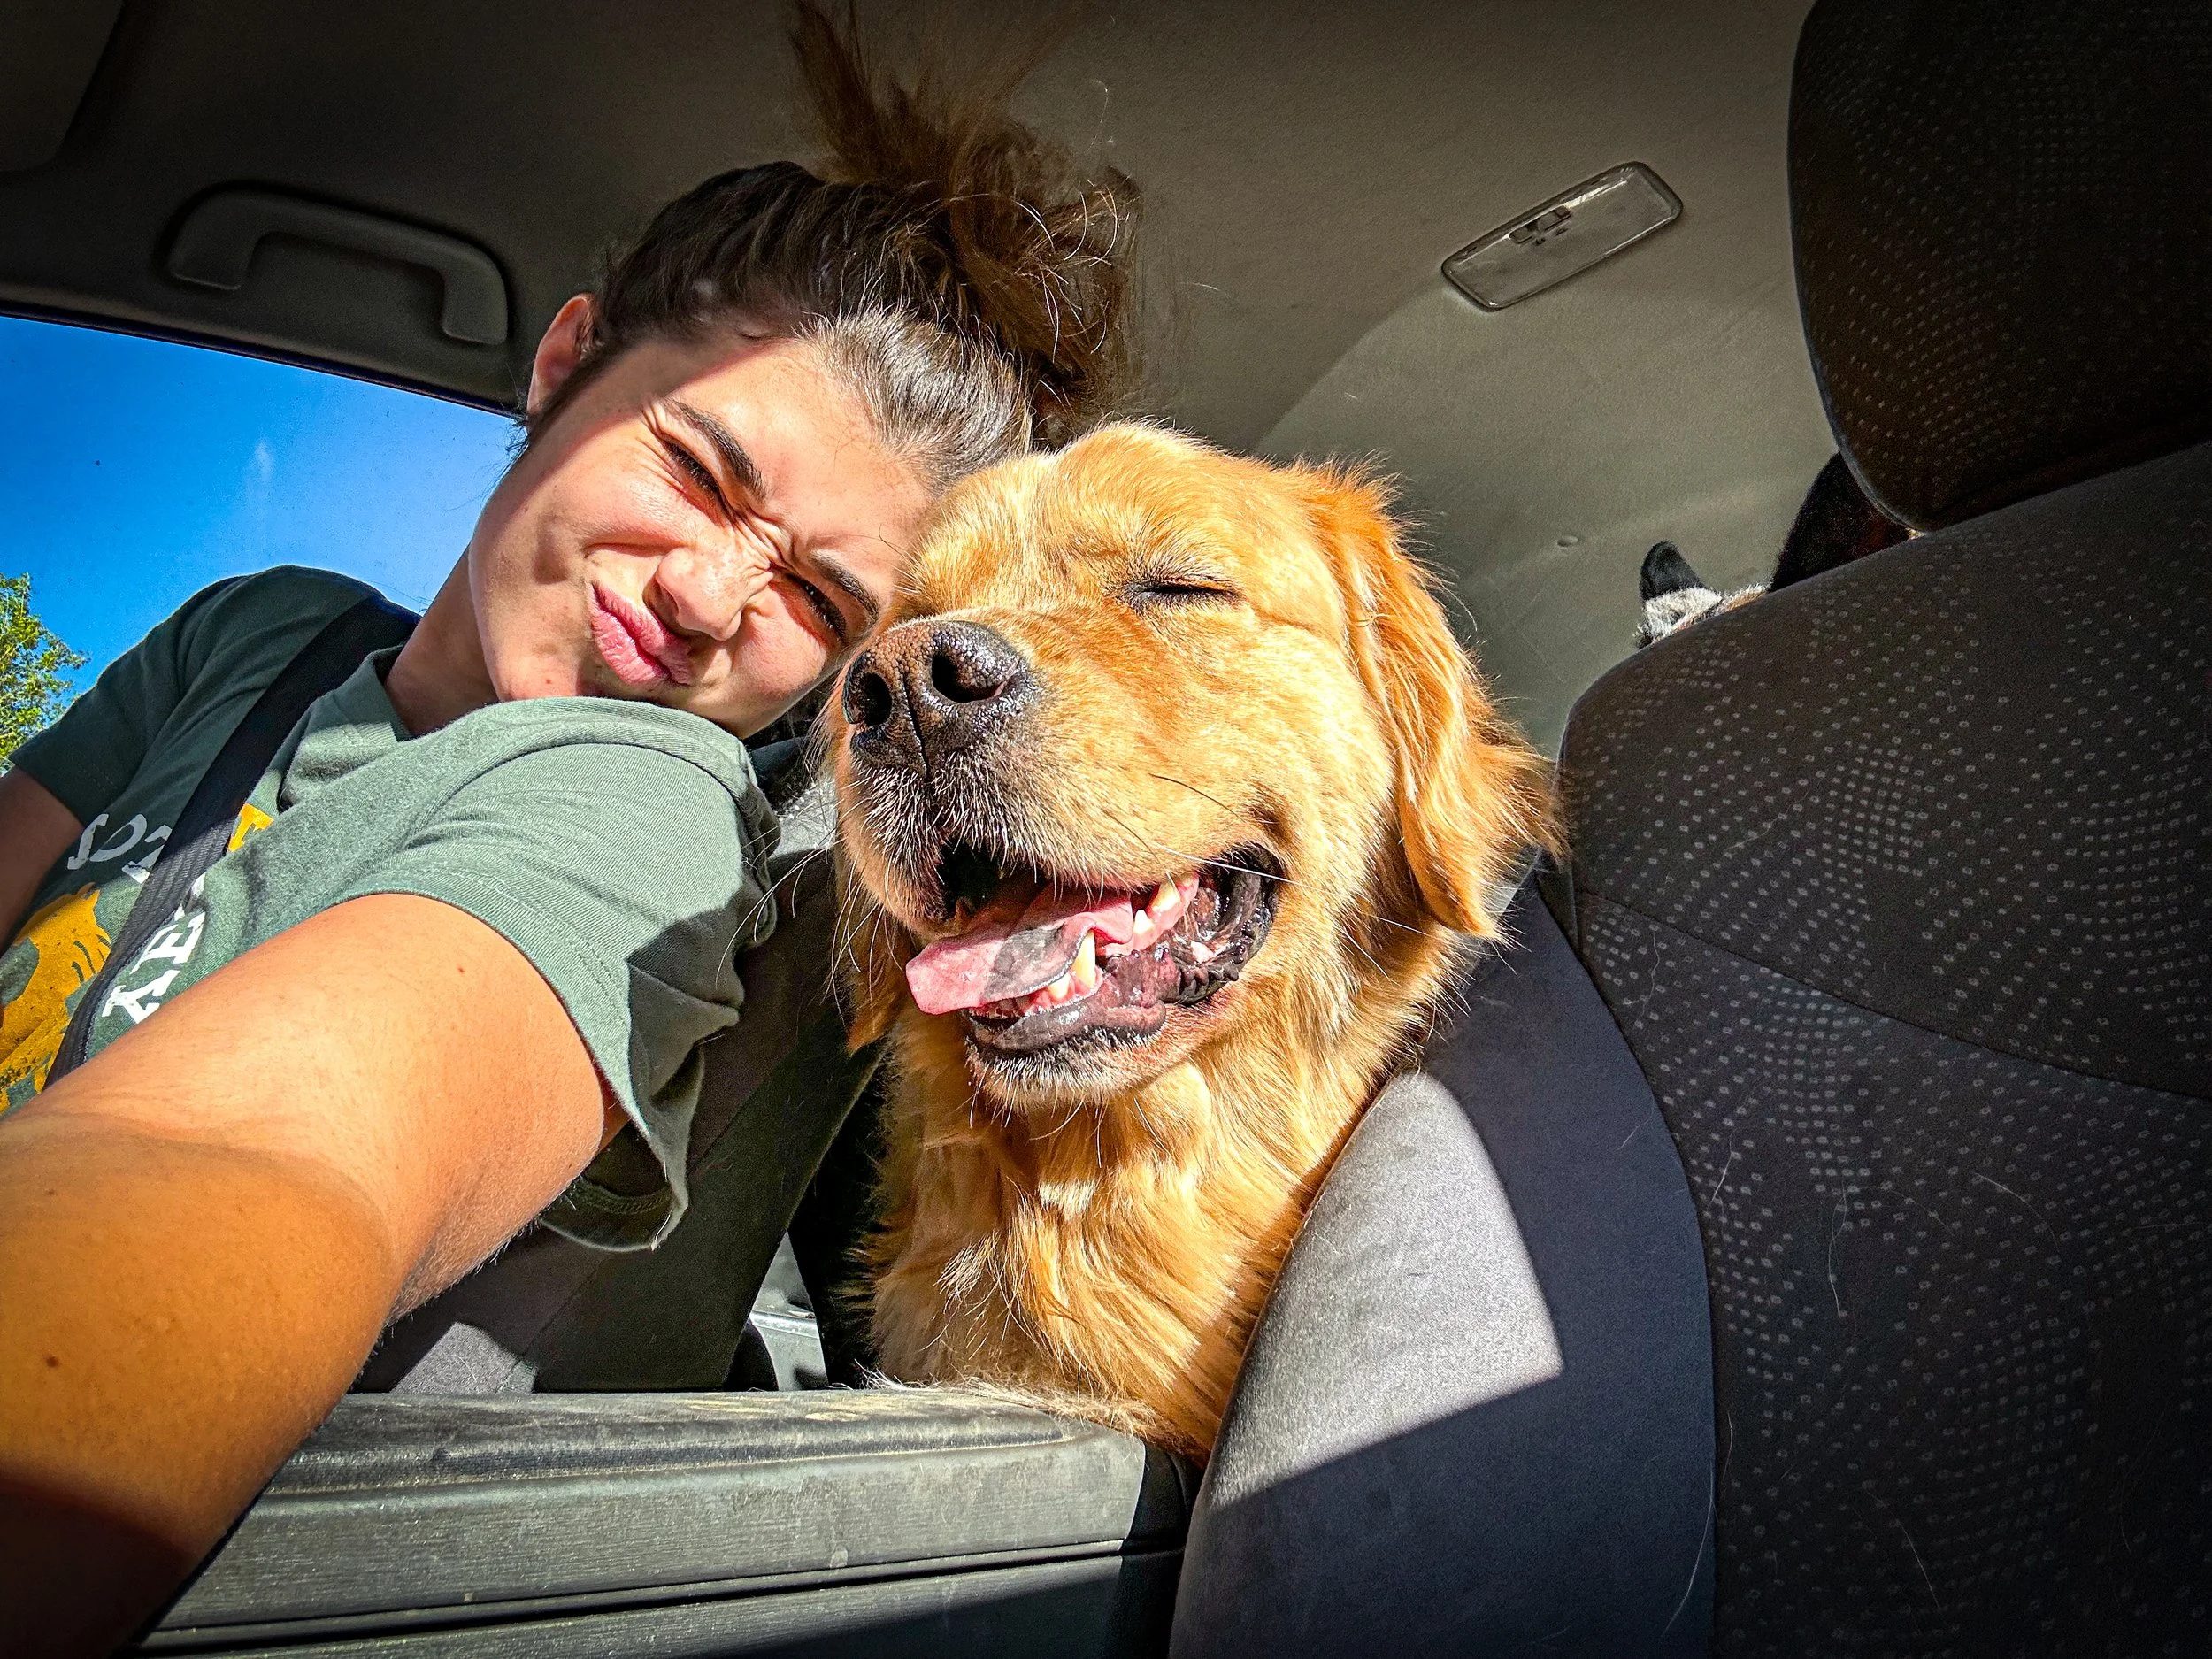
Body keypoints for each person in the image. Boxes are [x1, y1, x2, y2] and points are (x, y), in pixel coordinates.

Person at [0, 8, 1139, 1651]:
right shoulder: (264, 630)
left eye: (820, 594)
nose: (704, 597)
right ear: (562, 365)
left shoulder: (644, 807)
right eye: (697, 470)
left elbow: (245, 1163)